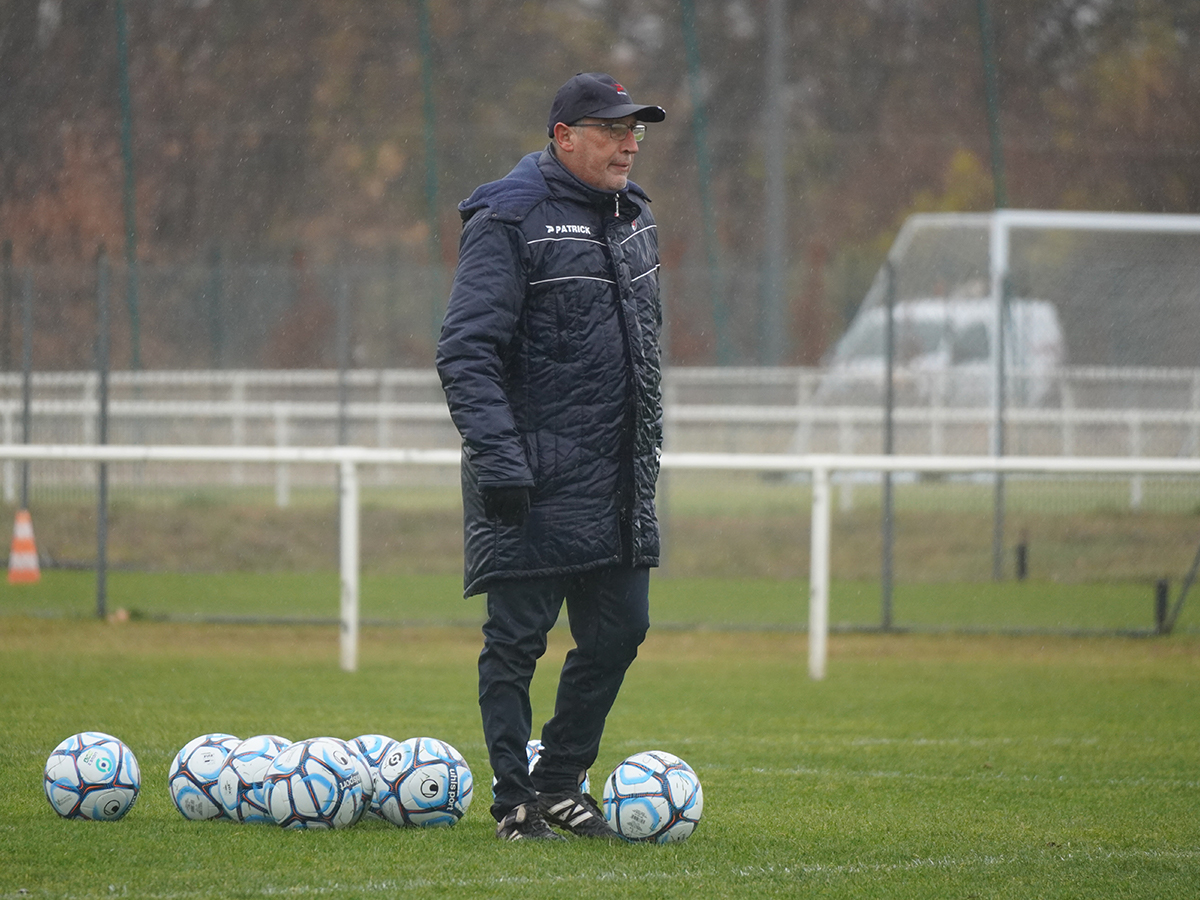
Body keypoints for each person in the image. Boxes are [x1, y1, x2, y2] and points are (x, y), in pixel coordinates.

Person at [435, 73, 666, 841]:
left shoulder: (635, 217)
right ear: (564, 136)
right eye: (611, 129)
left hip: (616, 484)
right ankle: (512, 802)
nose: (629, 143)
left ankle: (560, 780)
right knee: (516, 645)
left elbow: (641, 357)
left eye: (635, 129)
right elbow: (467, 349)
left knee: (620, 632)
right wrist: (500, 462)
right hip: (531, 479)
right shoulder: (510, 214)